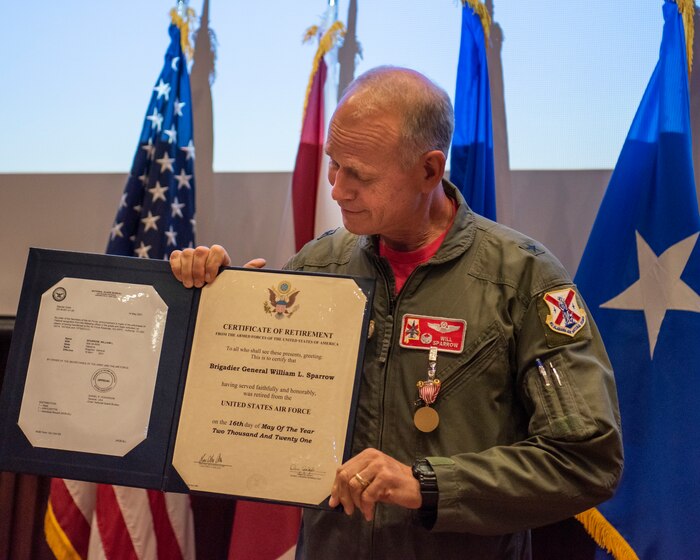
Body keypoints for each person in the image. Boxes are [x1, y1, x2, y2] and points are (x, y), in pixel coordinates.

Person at [170, 66, 623, 559]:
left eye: (359, 175)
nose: (337, 190)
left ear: (430, 170)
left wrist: (427, 485)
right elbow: (247, 409)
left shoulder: (521, 280)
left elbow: (584, 458)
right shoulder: (318, 266)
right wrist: (214, 304)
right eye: (332, 164)